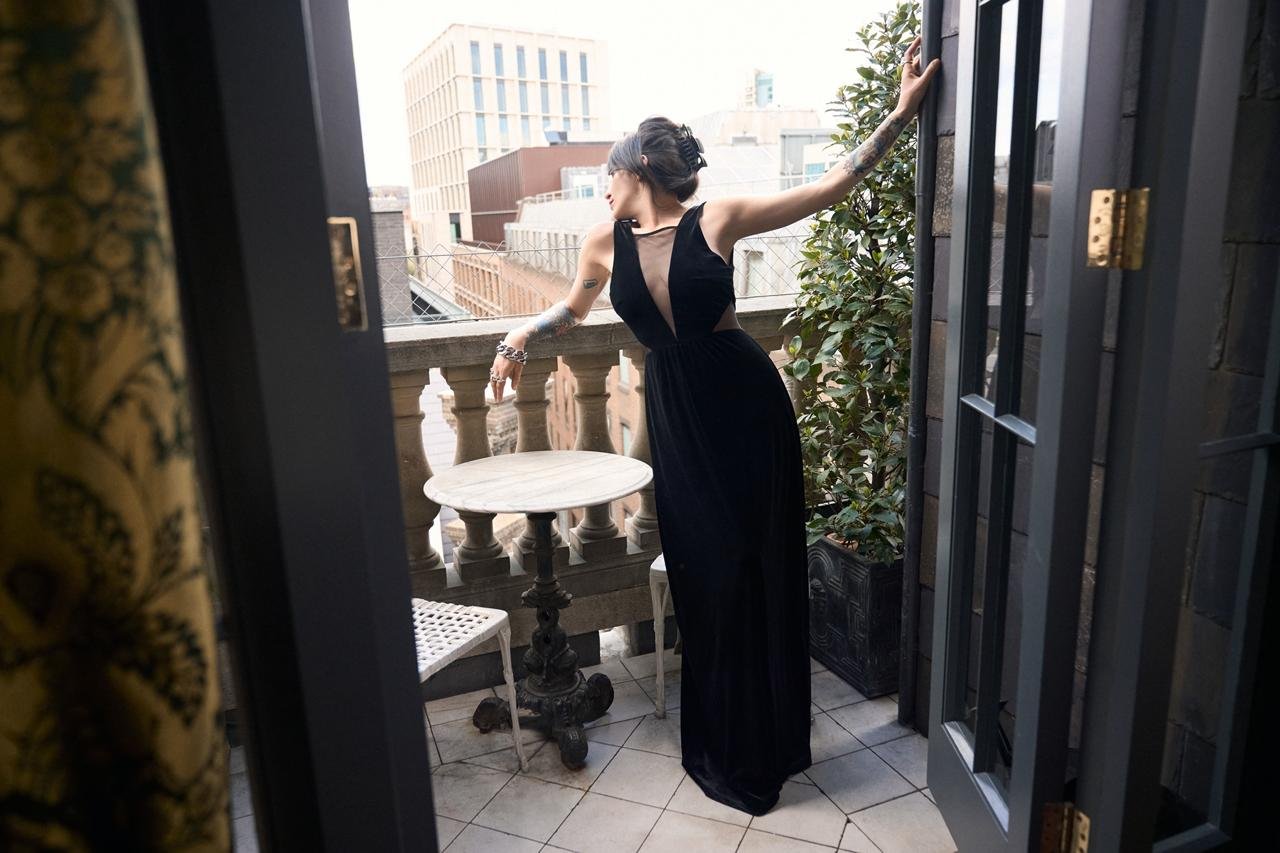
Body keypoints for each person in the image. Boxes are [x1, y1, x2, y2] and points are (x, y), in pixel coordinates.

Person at [488, 35, 940, 816]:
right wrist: (522, 333)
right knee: (707, 572)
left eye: (609, 174)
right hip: (677, 413)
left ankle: (762, 740)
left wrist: (897, 116)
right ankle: (724, 737)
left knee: (753, 566)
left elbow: (829, 187)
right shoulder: (602, 243)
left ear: (637, 172)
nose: (602, 187)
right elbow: (576, 306)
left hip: (744, 403)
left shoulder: (717, 218)